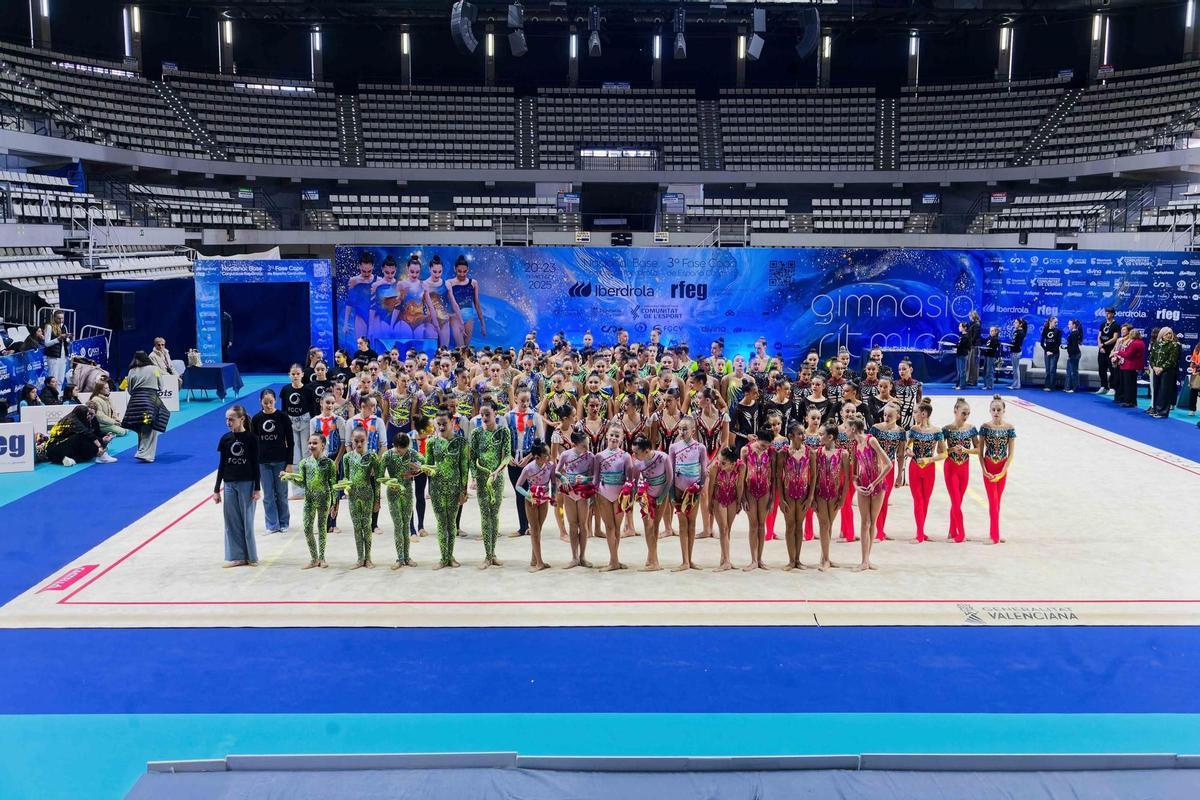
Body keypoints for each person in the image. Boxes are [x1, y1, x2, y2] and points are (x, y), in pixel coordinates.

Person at [212, 405, 261, 568]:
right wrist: (216, 490)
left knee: (247, 521)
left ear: (241, 419)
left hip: (247, 483)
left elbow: (255, 464)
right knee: (231, 522)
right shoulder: (225, 439)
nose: (228, 422)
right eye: (226, 419)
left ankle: (251, 556)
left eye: (231, 419)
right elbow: (222, 465)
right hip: (229, 483)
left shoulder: (252, 438)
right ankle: (237, 556)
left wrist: (257, 488)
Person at [281, 434, 336, 569]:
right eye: (310, 443)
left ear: (322, 445)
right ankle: (313, 558)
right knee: (307, 528)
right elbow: (303, 483)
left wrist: (334, 504)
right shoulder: (304, 463)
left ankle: (322, 558)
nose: (311, 446)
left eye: (315, 443)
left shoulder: (329, 463)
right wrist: (290, 477)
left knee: (322, 528)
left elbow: (333, 484)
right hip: (309, 499)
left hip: (324, 498)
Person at [469, 402, 512, 568]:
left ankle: (493, 553)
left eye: (488, 414)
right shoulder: (476, 433)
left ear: (495, 413)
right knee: (485, 515)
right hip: (481, 479)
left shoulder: (503, 431)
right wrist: (473, 477)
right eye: (482, 414)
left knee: (494, 515)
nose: (485, 418)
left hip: (497, 479)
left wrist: (498, 471)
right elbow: (472, 458)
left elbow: (507, 456)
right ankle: (487, 555)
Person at [426, 411, 470, 569]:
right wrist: (428, 484)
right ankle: (443, 557)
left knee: (451, 523)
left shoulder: (460, 442)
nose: (442, 426)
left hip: (454, 488)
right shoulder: (431, 442)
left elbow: (464, 468)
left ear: (452, 422)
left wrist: (463, 490)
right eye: (439, 424)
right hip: (437, 488)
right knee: (440, 522)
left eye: (445, 423)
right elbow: (429, 466)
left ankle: (450, 556)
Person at [381, 432, 431, 569]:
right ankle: (399, 558)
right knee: (398, 525)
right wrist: (390, 482)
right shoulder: (388, 455)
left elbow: (426, 463)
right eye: (399, 450)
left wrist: (416, 470)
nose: (401, 452)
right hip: (393, 493)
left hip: (408, 493)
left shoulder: (411, 452)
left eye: (404, 449)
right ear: (394, 446)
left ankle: (407, 557)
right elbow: (380, 477)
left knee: (406, 525)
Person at [334, 429, 381, 569]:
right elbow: (346, 477)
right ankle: (360, 558)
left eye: (362, 441)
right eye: (356, 441)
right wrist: (343, 492)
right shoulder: (347, 457)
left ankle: (369, 558)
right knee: (356, 527)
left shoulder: (372, 456)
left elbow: (377, 480)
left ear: (366, 440)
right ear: (351, 441)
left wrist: (377, 500)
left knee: (366, 526)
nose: (359, 444)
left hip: (367, 494)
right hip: (353, 496)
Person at [251, 388, 293, 534]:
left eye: (271, 402)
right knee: (268, 495)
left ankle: (284, 522)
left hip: (281, 460)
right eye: (265, 402)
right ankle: (272, 524)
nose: (268, 405)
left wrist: (289, 463)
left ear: (275, 401)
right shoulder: (256, 419)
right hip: (263, 462)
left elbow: (291, 441)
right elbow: (253, 443)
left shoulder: (282, 417)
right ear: (260, 402)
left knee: (281, 493)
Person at [667, 418, 706, 570]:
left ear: (693, 431)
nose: (682, 432)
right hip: (678, 489)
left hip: (694, 490)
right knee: (683, 524)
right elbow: (670, 471)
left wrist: (700, 489)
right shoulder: (674, 447)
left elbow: (703, 471)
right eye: (680, 429)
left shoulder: (700, 448)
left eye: (685, 429)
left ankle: (690, 560)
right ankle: (684, 561)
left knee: (692, 524)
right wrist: (671, 495)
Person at [593, 425, 633, 571]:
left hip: (620, 495)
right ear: (607, 436)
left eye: (617, 436)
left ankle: (614, 560)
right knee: (609, 527)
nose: (614, 438)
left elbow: (629, 480)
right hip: (603, 493)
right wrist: (591, 493)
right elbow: (595, 479)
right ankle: (614, 562)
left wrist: (630, 499)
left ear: (622, 439)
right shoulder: (599, 456)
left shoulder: (626, 456)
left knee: (617, 528)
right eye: (612, 435)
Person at [505, 391, 545, 538]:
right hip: (514, 459)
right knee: (519, 492)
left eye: (528, 400)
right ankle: (523, 526)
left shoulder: (535, 416)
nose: (525, 403)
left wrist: (529, 458)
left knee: (530, 492)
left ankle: (533, 525)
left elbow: (540, 440)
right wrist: (508, 456)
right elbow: (505, 439)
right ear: (515, 399)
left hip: (529, 458)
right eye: (522, 400)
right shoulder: (509, 416)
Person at [978, 395, 1017, 544]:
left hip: (1001, 468)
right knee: (993, 501)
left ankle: (994, 533)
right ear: (989, 411)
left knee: (997, 502)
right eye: (993, 410)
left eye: (999, 410)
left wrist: (1003, 472)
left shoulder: (1009, 428)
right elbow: (980, 453)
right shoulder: (985, 427)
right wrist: (983, 470)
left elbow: (1011, 454)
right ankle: (994, 536)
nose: (996, 412)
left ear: (1004, 411)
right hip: (989, 467)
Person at [905, 400, 944, 543]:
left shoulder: (937, 432)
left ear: (923, 414)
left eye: (915, 412)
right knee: (918, 501)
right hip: (915, 467)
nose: (913, 414)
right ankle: (920, 535)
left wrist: (929, 460)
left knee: (925, 501)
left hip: (929, 469)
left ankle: (921, 530)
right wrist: (908, 450)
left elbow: (943, 453)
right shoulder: (914, 430)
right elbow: (906, 446)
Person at [556, 429, 596, 568]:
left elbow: (596, 477)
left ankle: (583, 556)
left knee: (583, 525)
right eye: (583, 446)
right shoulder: (566, 454)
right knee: (573, 524)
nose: (587, 448)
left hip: (583, 493)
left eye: (588, 445)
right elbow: (556, 471)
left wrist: (586, 479)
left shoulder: (591, 457)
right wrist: (563, 478)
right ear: (575, 444)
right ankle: (574, 557)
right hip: (569, 492)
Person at [632, 436, 673, 571]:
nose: (634, 455)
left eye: (637, 452)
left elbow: (670, 479)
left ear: (647, 450)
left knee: (655, 527)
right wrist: (637, 496)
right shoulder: (638, 463)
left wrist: (661, 497)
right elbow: (635, 483)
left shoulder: (663, 458)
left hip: (662, 494)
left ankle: (652, 558)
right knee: (648, 527)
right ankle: (654, 561)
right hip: (646, 496)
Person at [778, 422, 815, 570]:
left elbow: (814, 476)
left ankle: (798, 559)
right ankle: (791, 560)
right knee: (790, 525)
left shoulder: (810, 452)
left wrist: (810, 497)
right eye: (799, 434)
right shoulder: (783, 452)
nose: (803, 436)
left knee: (799, 525)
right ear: (791, 436)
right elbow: (778, 476)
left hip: (803, 494)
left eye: (803, 433)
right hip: (788, 494)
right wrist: (780, 498)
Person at [513, 440, 555, 571]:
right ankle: (539, 562)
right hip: (531, 501)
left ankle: (534, 559)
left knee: (538, 530)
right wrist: (527, 494)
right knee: (535, 530)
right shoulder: (529, 468)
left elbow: (553, 482)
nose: (549, 456)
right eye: (546, 455)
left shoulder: (550, 465)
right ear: (537, 457)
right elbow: (518, 486)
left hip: (544, 500)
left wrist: (553, 496)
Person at [121, 351, 169, 463]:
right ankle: (145, 454)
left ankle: (141, 450)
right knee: (151, 427)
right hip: (150, 402)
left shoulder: (131, 371)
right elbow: (161, 386)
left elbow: (129, 389)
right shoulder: (155, 369)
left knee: (140, 427)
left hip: (134, 403)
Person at [942, 398, 979, 543]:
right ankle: (961, 534)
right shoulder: (946, 429)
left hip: (964, 467)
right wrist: (951, 449)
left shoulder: (971, 429)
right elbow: (939, 450)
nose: (966, 416)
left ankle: (952, 531)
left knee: (958, 501)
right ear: (955, 411)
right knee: (956, 501)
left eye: (968, 413)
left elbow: (978, 449)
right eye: (964, 413)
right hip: (951, 467)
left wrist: (966, 450)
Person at [813, 422, 849, 571]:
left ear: (830, 437)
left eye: (821, 434)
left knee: (829, 526)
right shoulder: (817, 453)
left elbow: (846, 478)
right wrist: (812, 498)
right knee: (824, 525)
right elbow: (813, 476)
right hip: (820, 493)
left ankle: (824, 556)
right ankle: (826, 560)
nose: (818, 436)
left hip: (834, 494)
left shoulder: (843, 454)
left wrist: (843, 497)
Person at [869, 403, 906, 541]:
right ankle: (875, 529)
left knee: (884, 500)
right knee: (876, 499)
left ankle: (880, 531)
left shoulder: (901, 432)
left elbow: (901, 454)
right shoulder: (875, 429)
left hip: (890, 468)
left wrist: (900, 475)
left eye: (890, 415)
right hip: (876, 467)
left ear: (898, 416)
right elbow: (867, 449)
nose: (886, 417)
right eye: (885, 414)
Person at [281, 364, 318, 496]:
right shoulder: (285, 390)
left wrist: (314, 431)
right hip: (291, 423)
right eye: (293, 374)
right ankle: (297, 491)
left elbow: (313, 410)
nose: (295, 376)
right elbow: (284, 411)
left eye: (298, 374)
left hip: (306, 422)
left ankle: (310, 487)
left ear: (302, 374)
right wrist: (284, 430)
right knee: (295, 455)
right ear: (289, 375)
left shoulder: (308, 390)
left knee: (307, 453)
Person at [740, 428, 774, 571]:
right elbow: (741, 475)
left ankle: (760, 559)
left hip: (765, 491)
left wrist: (772, 498)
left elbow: (773, 476)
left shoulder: (771, 451)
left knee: (761, 524)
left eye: (767, 446)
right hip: (750, 491)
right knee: (753, 525)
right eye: (762, 445)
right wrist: (742, 497)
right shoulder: (745, 450)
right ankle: (753, 560)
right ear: (756, 439)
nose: (764, 448)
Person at [35, 405, 114, 466]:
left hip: (57, 447)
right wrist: (100, 446)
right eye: (86, 414)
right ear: (81, 414)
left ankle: (71, 459)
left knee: (83, 441)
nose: (88, 416)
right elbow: (88, 434)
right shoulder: (73, 421)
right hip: (54, 449)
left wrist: (102, 440)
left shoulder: (72, 417)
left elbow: (93, 434)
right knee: (80, 437)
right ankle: (99, 454)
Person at [706, 446, 743, 572]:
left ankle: (724, 559)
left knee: (728, 530)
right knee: (724, 529)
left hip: (732, 498)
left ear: (732, 464)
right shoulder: (716, 467)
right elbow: (710, 486)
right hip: (718, 498)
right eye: (719, 460)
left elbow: (739, 485)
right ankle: (726, 561)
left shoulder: (739, 467)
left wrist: (739, 501)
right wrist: (709, 502)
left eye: (723, 463)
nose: (719, 464)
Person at [448, 255, 486, 347]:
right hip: (455, 317)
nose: (462, 274)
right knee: (460, 347)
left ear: (468, 270)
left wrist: (482, 324)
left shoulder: (473, 283)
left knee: (466, 349)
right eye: (459, 271)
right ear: (455, 269)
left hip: (469, 317)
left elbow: (476, 303)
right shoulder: (449, 283)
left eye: (464, 271)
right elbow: (451, 303)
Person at [1150, 327, 1182, 418]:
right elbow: (1151, 357)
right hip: (1156, 370)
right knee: (1156, 390)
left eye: (1170, 334)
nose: (1169, 335)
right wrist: (1154, 367)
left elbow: (1172, 360)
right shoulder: (1156, 344)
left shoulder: (1174, 345)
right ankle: (1155, 409)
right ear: (1162, 334)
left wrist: (1161, 368)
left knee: (1164, 391)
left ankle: (1162, 412)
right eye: (1167, 333)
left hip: (1167, 371)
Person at [1113, 328, 1145, 408]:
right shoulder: (1141, 342)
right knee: (1132, 385)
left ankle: (1128, 401)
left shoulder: (1134, 343)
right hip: (1132, 366)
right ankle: (1132, 401)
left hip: (1129, 366)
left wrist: (1118, 352)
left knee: (1128, 385)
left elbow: (1128, 355)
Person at [43, 310, 71, 387]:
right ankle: (51, 397)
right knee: (53, 379)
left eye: (62, 318)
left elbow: (66, 341)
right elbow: (46, 343)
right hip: (53, 356)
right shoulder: (49, 326)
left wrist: (67, 338)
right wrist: (58, 339)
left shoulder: (64, 326)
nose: (61, 320)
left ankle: (57, 397)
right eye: (58, 318)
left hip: (63, 355)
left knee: (60, 379)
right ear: (54, 318)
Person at [1096, 308, 1119, 396]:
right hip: (1102, 350)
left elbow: (1115, 338)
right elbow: (1099, 336)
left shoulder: (1116, 325)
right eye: (1106, 313)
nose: (1107, 314)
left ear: (1113, 314)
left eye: (1109, 313)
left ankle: (1112, 388)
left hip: (1111, 351)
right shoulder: (1102, 324)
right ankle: (1103, 386)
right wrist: (1100, 346)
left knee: (1112, 370)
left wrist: (1104, 344)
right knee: (1101, 369)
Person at [1040, 316, 1063, 391]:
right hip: (1047, 353)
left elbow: (1058, 343)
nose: (1056, 324)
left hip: (1055, 353)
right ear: (1050, 322)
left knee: (1052, 370)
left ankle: (1051, 386)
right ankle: (1046, 386)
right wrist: (1047, 351)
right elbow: (1042, 343)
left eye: (1057, 322)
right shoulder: (1045, 330)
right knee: (1047, 370)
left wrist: (1052, 351)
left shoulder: (1058, 331)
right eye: (1055, 322)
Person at [980, 326, 1002, 391]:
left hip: (991, 356)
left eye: (992, 331)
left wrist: (988, 349)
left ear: (996, 332)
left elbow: (994, 349)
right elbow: (987, 346)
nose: (990, 332)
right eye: (990, 331)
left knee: (989, 371)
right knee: (985, 370)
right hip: (987, 355)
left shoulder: (996, 339)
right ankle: (986, 384)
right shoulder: (989, 338)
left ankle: (990, 385)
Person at [1064, 319, 1083, 393]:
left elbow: (1074, 347)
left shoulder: (1074, 334)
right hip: (1073, 354)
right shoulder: (1073, 333)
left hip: (1074, 355)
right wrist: (1066, 347)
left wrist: (1071, 355)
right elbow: (1071, 345)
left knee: (1073, 372)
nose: (1068, 326)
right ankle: (1067, 387)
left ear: (1074, 325)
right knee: (1069, 371)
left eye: (1069, 324)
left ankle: (1075, 388)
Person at [1009, 318, 1028, 390]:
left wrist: (1012, 345)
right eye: (1014, 322)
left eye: (1016, 322)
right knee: (1014, 369)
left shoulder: (1021, 332)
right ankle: (1014, 383)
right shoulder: (1016, 331)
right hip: (1013, 350)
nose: (1014, 324)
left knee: (1016, 369)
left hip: (1016, 351)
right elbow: (1013, 341)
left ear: (1020, 324)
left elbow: (1018, 343)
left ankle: (1017, 385)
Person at [966, 309, 982, 387]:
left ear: (972, 316)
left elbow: (975, 336)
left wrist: (970, 344)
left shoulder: (977, 324)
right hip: (971, 346)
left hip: (974, 346)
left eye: (969, 316)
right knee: (970, 364)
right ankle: (969, 379)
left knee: (973, 364)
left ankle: (973, 381)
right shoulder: (972, 324)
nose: (969, 317)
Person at [954, 321, 971, 391]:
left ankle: (962, 385)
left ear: (965, 328)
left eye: (960, 326)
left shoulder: (966, 336)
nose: (959, 327)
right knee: (959, 371)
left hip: (963, 355)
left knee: (962, 371)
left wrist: (956, 346)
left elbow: (962, 345)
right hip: (959, 354)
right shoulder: (962, 336)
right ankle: (958, 384)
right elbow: (958, 345)